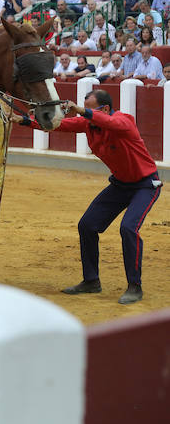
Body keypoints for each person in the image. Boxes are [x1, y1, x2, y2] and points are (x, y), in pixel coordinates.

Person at [11, 90, 161, 304]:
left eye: (89, 108)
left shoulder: (124, 119)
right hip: (120, 185)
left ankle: (135, 286)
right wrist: (24, 121)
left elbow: (114, 124)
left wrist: (82, 111)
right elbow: (58, 126)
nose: (83, 113)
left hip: (145, 185)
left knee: (128, 228)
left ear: (106, 109)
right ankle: (91, 281)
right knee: (87, 225)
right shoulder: (89, 124)